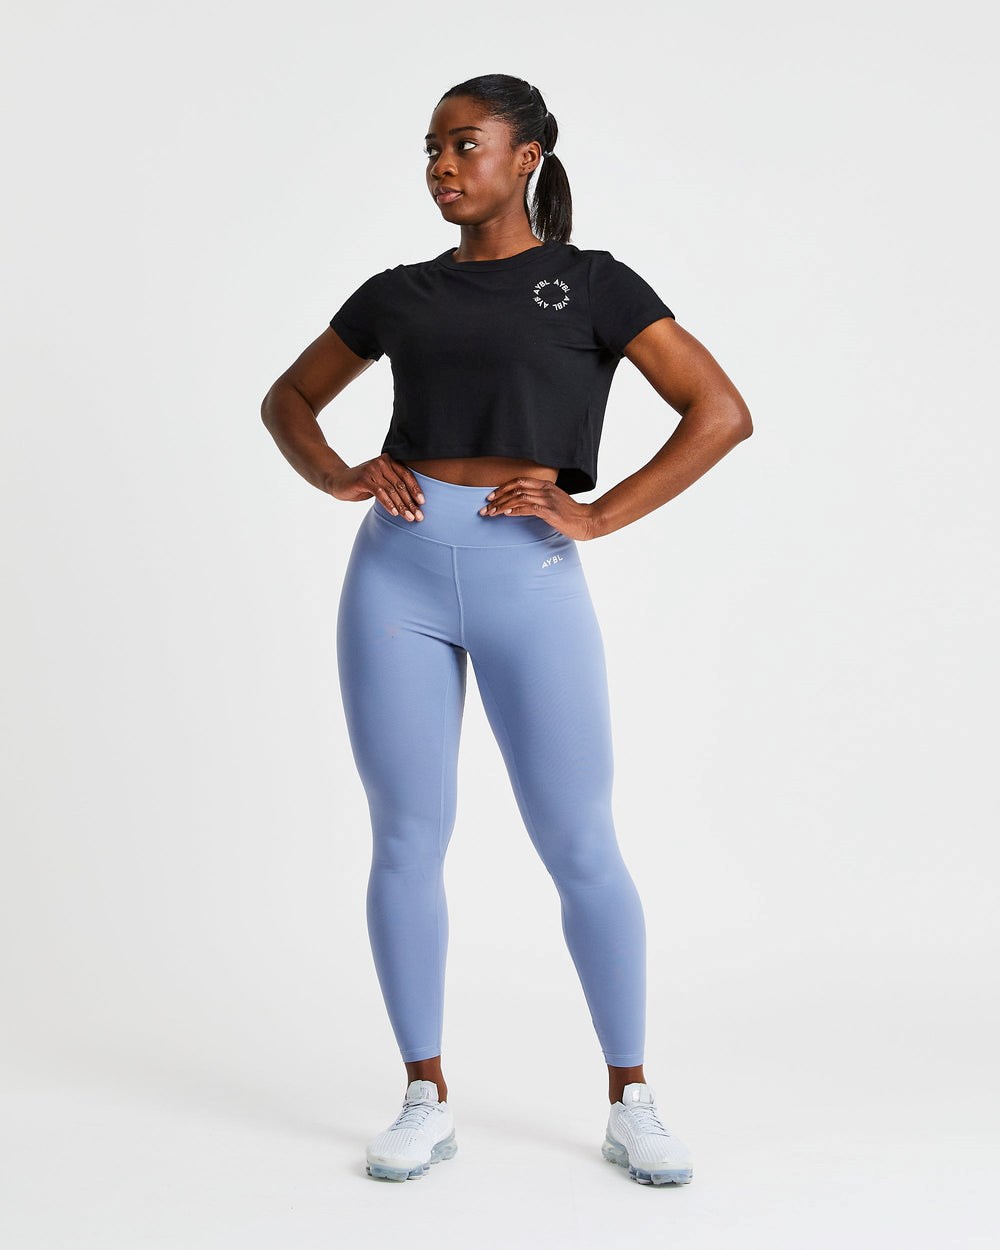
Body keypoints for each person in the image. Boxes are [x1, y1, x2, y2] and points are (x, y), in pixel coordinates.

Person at [261, 73, 752, 1187]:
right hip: (394, 572)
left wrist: (598, 513)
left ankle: (631, 1097)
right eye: (431, 149)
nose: (442, 165)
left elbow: (719, 411)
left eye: (464, 144)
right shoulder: (398, 294)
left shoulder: (593, 284)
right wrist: (336, 472)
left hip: (527, 571)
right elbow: (287, 399)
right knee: (404, 838)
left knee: (579, 840)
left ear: (526, 156)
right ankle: (422, 1094)